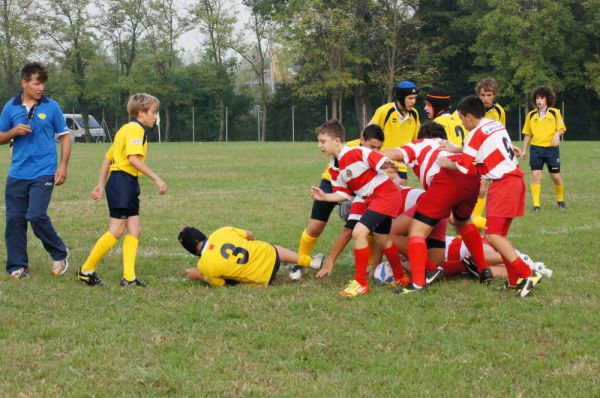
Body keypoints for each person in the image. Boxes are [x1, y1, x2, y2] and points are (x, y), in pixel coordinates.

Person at [439, 95, 542, 298]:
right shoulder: (495, 125)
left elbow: (463, 166)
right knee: (498, 236)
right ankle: (514, 280)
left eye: (461, 118)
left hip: (504, 184)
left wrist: (446, 162)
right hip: (514, 181)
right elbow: (478, 150)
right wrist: (457, 149)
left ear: (469, 117)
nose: (461, 122)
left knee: (493, 236)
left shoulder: (475, 134)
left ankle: (527, 273)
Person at [382, 121, 491, 293]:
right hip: (471, 176)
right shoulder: (450, 146)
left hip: (445, 180)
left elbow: (394, 153)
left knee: (413, 231)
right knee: (464, 222)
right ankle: (483, 268)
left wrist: (367, 155)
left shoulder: (421, 144)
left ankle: (419, 282)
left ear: (422, 136)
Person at [76, 93, 167, 287]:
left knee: (134, 229)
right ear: (141, 113)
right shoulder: (135, 130)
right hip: (122, 182)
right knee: (117, 230)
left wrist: (101, 184)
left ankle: (129, 277)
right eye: (153, 112)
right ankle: (86, 269)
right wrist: (156, 178)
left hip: (126, 182)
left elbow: (108, 157)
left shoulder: (125, 129)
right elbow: (133, 158)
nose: (155, 116)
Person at [310, 119, 408, 297]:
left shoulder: (356, 152)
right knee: (383, 240)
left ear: (337, 141)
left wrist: (387, 165)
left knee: (358, 232)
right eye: (319, 141)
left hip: (385, 195)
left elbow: (377, 158)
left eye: (323, 141)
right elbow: (344, 195)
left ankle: (360, 283)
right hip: (373, 199)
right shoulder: (334, 167)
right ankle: (401, 277)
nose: (319, 145)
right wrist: (325, 197)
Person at [0, 62, 71, 279]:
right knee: (14, 220)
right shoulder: (10, 107)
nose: (41, 88)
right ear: (24, 83)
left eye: (43, 84)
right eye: (36, 83)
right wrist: (13, 131)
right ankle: (17, 266)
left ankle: (60, 253)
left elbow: (65, 136)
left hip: (44, 171)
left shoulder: (52, 107)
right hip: (17, 173)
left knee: (36, 215)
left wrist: (63, 166)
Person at [290, 126, 383, 281]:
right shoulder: (348, 149)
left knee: (368, 225)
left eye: (378, 148)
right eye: (371, 147)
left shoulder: (374, 153)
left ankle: (370, 263)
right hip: (331, 183)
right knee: (315, 227)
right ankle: (299, 261)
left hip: (356, 188)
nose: (375, 150)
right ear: (362, 141)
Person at [178, 226, 324, 287]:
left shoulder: (204, 266)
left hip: (262, 279)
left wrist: (198, 275)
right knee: (272, 249)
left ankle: (300, 268)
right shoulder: (220, 232)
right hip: (269, 256)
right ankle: (309, 261)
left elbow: (221, 284)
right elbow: (250, 235)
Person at [520, 85, 567, 211]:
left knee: (555, 176)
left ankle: (560, 199)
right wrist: (524, 150)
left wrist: (557, 134)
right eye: (537, 98)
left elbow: (562, 129)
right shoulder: (531, 115)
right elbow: (528, 134)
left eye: (541, 98)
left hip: (551, 149)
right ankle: (536, 205)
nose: (538, 101)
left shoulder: (554, 113)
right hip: (536, 149)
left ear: (547, 99)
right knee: (535, 175)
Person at [470, 78, 507, 227]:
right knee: (476, 187)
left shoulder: (499, 111)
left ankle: (475, 219)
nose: (486, 98)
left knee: (484, 185)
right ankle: (475, 220)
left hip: (490, 154)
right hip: (474, 152)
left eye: (489, 95)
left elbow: (501, 131)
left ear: (494, 95)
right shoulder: (471, 110)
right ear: (478, 95)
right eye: (483, 95)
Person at [370, 80, 420, 185]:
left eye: (415, 98)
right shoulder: (385, 111)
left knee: (399, 198)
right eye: (410, 98)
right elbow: (368, 134)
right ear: (401, 97)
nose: (413, 101)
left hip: (402, 166)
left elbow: (417, 142)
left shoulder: (415, 114)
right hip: (384, 164)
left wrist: (419, 167)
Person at [440, 235, 553, 281]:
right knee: (484, 272)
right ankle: (530, 269)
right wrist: (462, 266)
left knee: (474, 255)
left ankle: (520, 259)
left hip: (462, 246)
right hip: (465, 260)